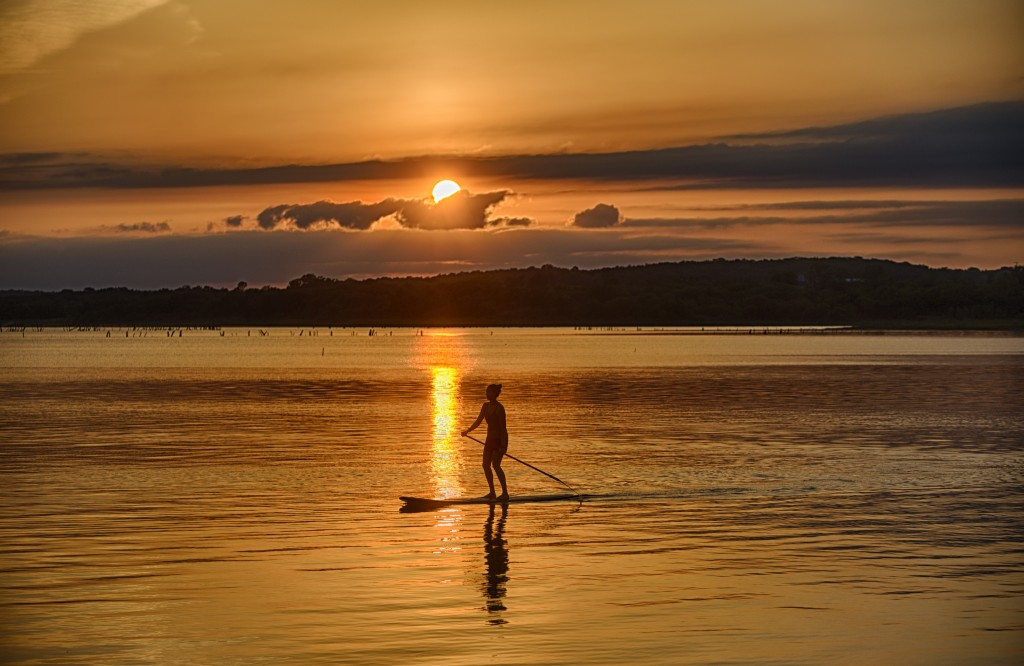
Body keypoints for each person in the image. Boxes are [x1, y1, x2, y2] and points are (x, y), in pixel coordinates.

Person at [462, 383, 509, 500]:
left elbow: (503, 429)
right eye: (486, 391)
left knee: (496, 466)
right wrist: (467, 431)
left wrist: (503, 446)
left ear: (495, 394)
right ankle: (492, 492)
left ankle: (505, 493)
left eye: (489, 392)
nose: (486, 393)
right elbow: (478, 421)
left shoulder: (500, 408)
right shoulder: (485, 406)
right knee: (485, 465)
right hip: (489, 440)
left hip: (499, 440)